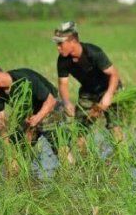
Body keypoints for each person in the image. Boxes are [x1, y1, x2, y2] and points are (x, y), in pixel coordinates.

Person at [0, 60, 69, 172]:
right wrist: (6, 144)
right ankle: (17, 180)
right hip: (28, 115)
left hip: (50, 108)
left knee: (59, 146)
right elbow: (0, 121)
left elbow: (50, 101)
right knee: (16, 147)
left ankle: (71, 173)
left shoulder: (24, 78)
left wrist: (36, 119)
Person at [52, 21, 123, 154]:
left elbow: (114, 75)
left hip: (109, 87)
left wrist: (108, 97)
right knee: (80, 129)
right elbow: (63, 84)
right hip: (88, 91)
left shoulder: (93, 52)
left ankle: (121, 157)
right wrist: (66, 102)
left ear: (72, 41)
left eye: (60, 43)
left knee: (114, 125)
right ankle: (85, 161)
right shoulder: (62, 60)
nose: (58, 48)